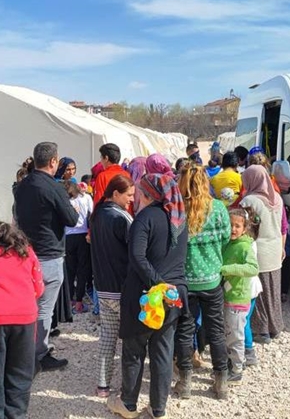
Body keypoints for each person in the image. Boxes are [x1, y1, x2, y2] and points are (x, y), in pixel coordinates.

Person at [108, 174, 188, 419]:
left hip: (146, 294)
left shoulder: (145, 218)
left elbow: (138, 258)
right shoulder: (180, 220)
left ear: (149, 193)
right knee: (163, 352)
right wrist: (167, 287)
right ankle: (158, 410)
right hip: (174, 294)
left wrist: (158, 284)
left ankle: (129, 405)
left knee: (134, 349)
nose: (138, 195)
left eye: (141, 191)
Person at [14, 142, 78, 372]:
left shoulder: (22, 185)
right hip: (49, 255)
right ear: (53, 162)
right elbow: (71, 219)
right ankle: (38, 354)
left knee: (27, 306)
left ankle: (23, 351)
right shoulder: (54, 187)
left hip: (24, 253)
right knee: (44, 309)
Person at [174, 166, 231, 400]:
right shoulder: (218, 208)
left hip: (186, 282)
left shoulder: (178, 210)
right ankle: (221, 382)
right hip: (211, 280)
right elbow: (227, 238)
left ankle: (184, 381)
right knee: (216, 331)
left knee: (185, 330)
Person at [0, 222, 44, 418]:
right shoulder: (28, 253)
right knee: (20, 373)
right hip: (25, 317)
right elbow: (39, 288)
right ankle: (16, 414)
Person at [89, 174, 135, 398]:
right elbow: (135, 251)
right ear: (116, 193)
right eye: (129, 195)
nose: (131, 200)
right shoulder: (121, 218)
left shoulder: (97, 215)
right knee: (130, 337)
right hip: (122, 287)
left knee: (107, 337)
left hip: (102, 286)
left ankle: (103, 385)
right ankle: (129, 387)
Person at [239, 166, 285, 344]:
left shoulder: (250, 200)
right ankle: (276, 327)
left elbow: (245, 228)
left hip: (258, 251)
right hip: (274, 250)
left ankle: (262, 330)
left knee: (257, 292)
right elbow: (282, 226)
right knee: (273, 291)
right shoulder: (278, 199)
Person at [220, 208, 260, 384]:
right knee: (230, 333)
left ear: (245, 228)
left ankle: (236, 369)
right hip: (229, 296)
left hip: (238, 298)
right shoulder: (229, 243)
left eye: (237, 226)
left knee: (236, 335)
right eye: (230, 225)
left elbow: (253, 268)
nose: (233, 229)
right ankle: (235, 362)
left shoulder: (244, 246)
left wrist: (228, 269)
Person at [64, 180, 93, 314]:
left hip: (68, 236)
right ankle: (80, 302)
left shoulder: (65, 200)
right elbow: (91, 215)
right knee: (83, 269)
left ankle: (70, 300)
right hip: (83, 235)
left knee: (70, 269)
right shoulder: (86, 198)